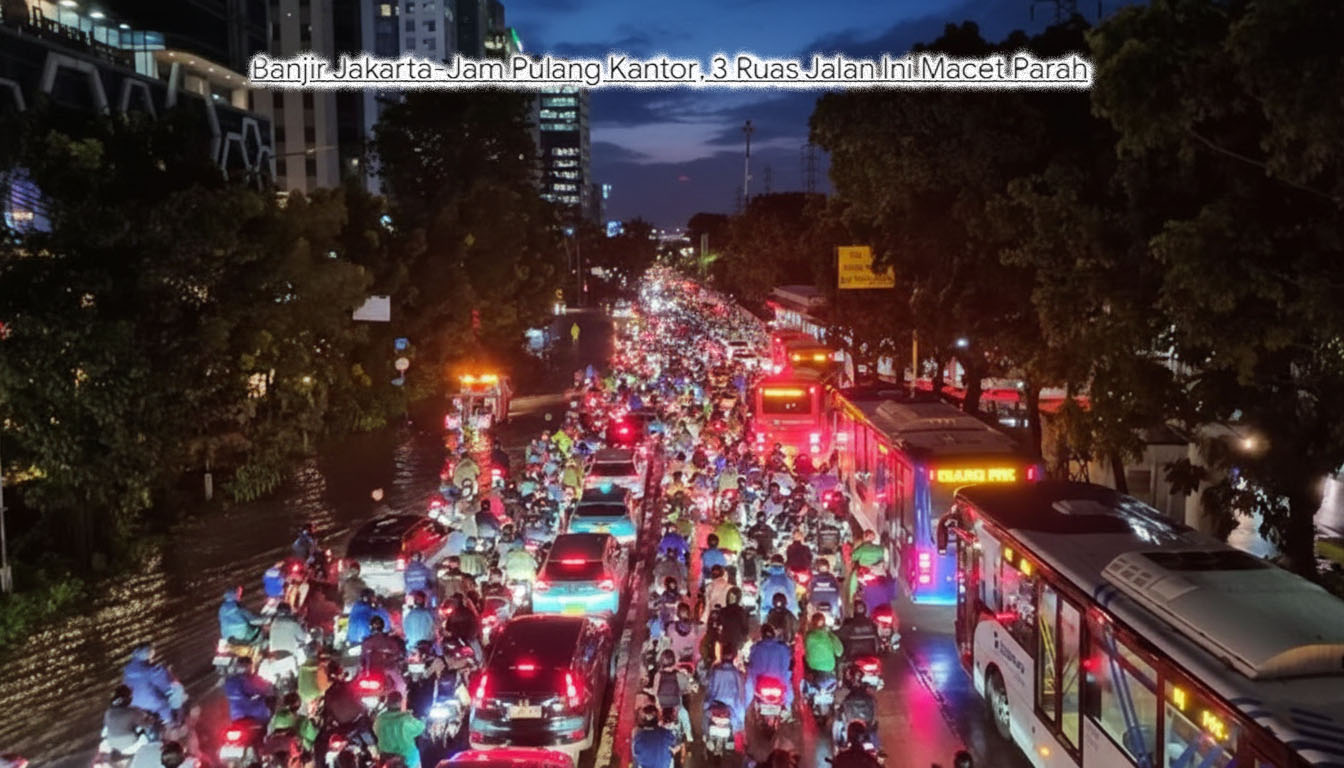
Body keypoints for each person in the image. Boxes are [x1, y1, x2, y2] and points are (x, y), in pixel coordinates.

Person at [123, 644, 182, 725]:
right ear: (149, 655)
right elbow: (167, 688)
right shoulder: (153, 671)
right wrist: (168, 673)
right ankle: (174, 720)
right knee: (177, 688)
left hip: (135, 707)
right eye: (152, 656)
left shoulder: (127, 671)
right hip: (156, 707)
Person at [746, 623, 794, 714]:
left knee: (748, 690)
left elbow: (752, 664)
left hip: (760, 682)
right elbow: (787, 664)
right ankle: (788, 709)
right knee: (788, 692)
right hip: (780, 680)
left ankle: (744, 714)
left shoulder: (756, 647)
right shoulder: (783, 648)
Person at [649, 650, 694, 741]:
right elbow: (687, 688)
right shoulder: (679, 674)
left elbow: (655, 691)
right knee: (683, 713)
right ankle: (688, 734)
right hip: (675, 703)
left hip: (661, 704)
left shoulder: (658, 675)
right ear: (674, 661)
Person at [373, 691, 425, 768]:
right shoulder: (406, 719)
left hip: (386, 758)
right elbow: (421, 727)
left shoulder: (379, 720)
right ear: (401, 703)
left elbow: (375, 731)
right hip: (407, 759)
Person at [702, 658, 746, 747]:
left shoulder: (716, 671)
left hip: (715, 704)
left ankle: (705, 735)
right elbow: (740, 691)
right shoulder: (736, 672)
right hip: (730, 706)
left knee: (704, 712)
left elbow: (709, 687)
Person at [102, 685, 156, 757]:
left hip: (112, 745)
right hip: (130, 746)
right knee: (151, 731)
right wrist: (154, 718)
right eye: (130, 696)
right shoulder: (133, 712)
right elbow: (147, 724)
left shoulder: (108, 712)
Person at [833, 664, 878, 748]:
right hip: (864, 722)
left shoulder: (845, 690)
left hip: (853, 721)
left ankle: (836, 745)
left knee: (838, 722)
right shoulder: (867, 690)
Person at [360, 616, 407, 696]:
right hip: (387, 670)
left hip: (370, 673)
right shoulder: (390, 640)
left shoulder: (366, 641)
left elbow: (362, 660)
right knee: (402, 687)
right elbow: (398, 654)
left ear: (371, 627)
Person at [803, 613, 845, 696]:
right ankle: (840, 681)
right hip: (829, 667)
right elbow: (839, 652)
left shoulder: (808, 636)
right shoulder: (829, 636)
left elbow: (804, 651)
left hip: (812, 667)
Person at [223, 658, 274, 723]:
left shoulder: (230, 680)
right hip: (256, 716)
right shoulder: (250, 680)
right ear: (250, 666)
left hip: (236, 716)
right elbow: (264, 688)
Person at [631, 703, 680, 768]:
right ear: (658, 718)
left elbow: (636, 754)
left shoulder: (638, 736)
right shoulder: (666, 733)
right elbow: (676, 745)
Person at [847, 530, 886, 602]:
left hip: (865, 572)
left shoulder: (861, 549)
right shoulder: (879, 549)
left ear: (865, 537)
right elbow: (883, 558)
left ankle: (851, 598)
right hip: (878, 572)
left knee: (854, 576)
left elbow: (853, 557)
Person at [759, 556, 799, 622]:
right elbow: (794, 591)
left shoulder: (766, 576)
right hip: (790, 608)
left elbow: (762, 592)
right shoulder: (789, 576)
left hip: (768, 608)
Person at [718, 587, 752, 662]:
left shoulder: (723, 611)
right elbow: (745, 630)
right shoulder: (741, 611)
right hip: (736, 643)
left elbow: (719, 627)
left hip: (727, 643)